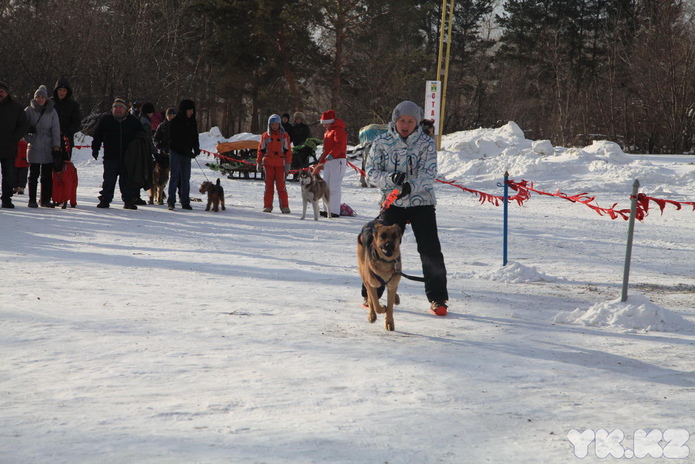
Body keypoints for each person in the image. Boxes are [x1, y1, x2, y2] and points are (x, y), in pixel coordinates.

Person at [364, 100, 449, 316]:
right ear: (395, 120)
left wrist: (411, 186)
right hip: (393, 203)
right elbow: (370, 173)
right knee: (380, 247)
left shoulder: (426, 143)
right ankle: (371, 292)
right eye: (402, 120)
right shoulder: (382, 141)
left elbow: (430, 174)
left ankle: (438, 298)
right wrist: (390, 179)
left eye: (411, 121)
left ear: (417, 122)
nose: (406, 125)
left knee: (430, 250)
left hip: (422, 202)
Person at [91, 97, 145, 209]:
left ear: (125, 109)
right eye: (116, 107)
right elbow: (98, 135)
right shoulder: (106, 120)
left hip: (128, 157)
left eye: (121, 107)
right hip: (111, 156)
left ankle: (128, 201)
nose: (118, 109)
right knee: (109, 180)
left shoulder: (133, 121)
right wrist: (95, 148)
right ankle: (105, 200)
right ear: (112, 109)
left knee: (126, 181)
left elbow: (142, 135)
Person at [25, 85, 61, 208]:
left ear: (46, 98)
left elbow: (56, 129)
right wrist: (29, 138)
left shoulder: (52, 111)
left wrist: (56, 145)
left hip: (48, 145)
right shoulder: (29, 110)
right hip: (34, 144)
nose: (40, 99)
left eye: (42, 97)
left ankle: (45, 199)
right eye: (38, 97)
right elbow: (22, 126)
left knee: (46, 175)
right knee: (33, 174)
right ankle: (32, 199)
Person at [0, 81, 29, 208]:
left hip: (9, 146)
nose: (0, 93)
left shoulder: (16, 108)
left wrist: (15, 137)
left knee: (8, 176)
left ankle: (6, 199)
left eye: (2, 91)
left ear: (7, 93)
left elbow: (24, 124)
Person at [167, 99, 200, 210]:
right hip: (176, 151)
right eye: (189, 110)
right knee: (175, 176)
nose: (191, 112)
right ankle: (171, 201)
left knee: (186, 178)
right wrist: (186, 151)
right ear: (184, 110)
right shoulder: (175, 122)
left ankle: (185, 201)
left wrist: (196, 148)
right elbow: (175, 140)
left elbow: (195, 136)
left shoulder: (193, 122)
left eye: (192, 110)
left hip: (187, 153)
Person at [257, 114, 292, 213]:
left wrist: (288, 164)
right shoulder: (265, 136)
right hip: (268, 164)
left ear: (279, 124)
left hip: (280, 164)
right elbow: (261, 150)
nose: (274, 126)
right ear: (269, 125)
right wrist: (259, 162)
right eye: (272, 124)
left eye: (276, 124)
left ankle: (284, 206)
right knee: (268, 186)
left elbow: (288, 151)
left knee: (281, 186)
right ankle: (267, 206)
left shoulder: (284, 136)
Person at [317, 109, 347, 217]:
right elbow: (326, 150)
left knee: (334, 186)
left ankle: (334, 211)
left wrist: (332, 155)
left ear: (331, 121)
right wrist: (320, 163)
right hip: (329, 161)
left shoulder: (339, 130)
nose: (324, 125)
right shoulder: (328, 132)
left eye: (325, 123)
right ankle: (327, 210)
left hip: (337, 160)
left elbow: (339, 145)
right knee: (326, 186)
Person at [51, 77, 81, 160]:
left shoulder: (73, 105)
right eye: (60, 90)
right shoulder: (49, 103)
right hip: (50, 140)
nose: (62, 93)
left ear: (67, 91)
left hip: (66, 141)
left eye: (64, 90)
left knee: (65, 167)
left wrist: (68, 132)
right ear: (56, 90)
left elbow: (77, 123)